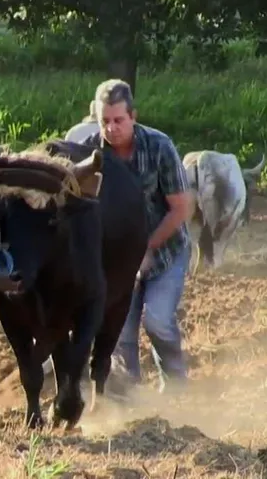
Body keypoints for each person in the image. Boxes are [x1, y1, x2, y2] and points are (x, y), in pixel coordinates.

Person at [77, 79, 194, 394]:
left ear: (133, 117)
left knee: (156, 319)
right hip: (114, 262)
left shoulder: (159, 147)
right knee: (118, 333)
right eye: (105, 121)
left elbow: (181, 208)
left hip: (164, 252)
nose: (112, 128)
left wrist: (146, 247)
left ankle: (176, 389)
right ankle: (128, 398)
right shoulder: (89, 154)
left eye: (119, 120)